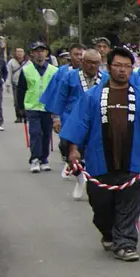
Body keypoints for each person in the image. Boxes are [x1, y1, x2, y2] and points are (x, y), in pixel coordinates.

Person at [61, 48, 140, 262]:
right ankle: (109, 234)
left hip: (132, 162)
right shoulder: (92, 97)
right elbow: (79, 124)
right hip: (99, 163)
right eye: (118, 65)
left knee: (129, 204)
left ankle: (126, 243)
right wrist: (73, 150)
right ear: (109, 67)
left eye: (127, 66)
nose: (122, 70)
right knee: (101, 207)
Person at [44, 47, 107, 180]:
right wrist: (56, 118)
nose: (92, 65)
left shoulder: (106, 78)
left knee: (92, 151)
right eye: (89, 62)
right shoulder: (69, 77)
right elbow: (60, 98)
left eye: (96, 62)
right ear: (82, 62)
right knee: (67, 147)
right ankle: (78, 176)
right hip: (72, 118)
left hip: (96, 119)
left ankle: (88, 176)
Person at [15, 42, 57, 173]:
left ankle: (44, 159)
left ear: (47, 53)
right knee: (35, 133)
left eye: (42, 51)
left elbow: (57, 90)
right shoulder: (26, 70)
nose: (40, 53)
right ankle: (35, 159)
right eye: (37, 51)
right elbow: (21, 90)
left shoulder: (54, 70)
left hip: (48, 107)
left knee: (46, 134)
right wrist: (20, 108)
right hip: (32, 107)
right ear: (32, 53)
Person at [8, 46, 26, 124]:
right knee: (16, 101)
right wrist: (8, 84)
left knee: (26, 100)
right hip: (15, 84)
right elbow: (9, 73)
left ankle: (26, 115)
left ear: (24, 53)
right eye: (18, 51)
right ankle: (18, 116)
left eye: (21, 51)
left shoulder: (28, 62)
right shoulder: (11, 62)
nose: (19, 53)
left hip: (26, 84)